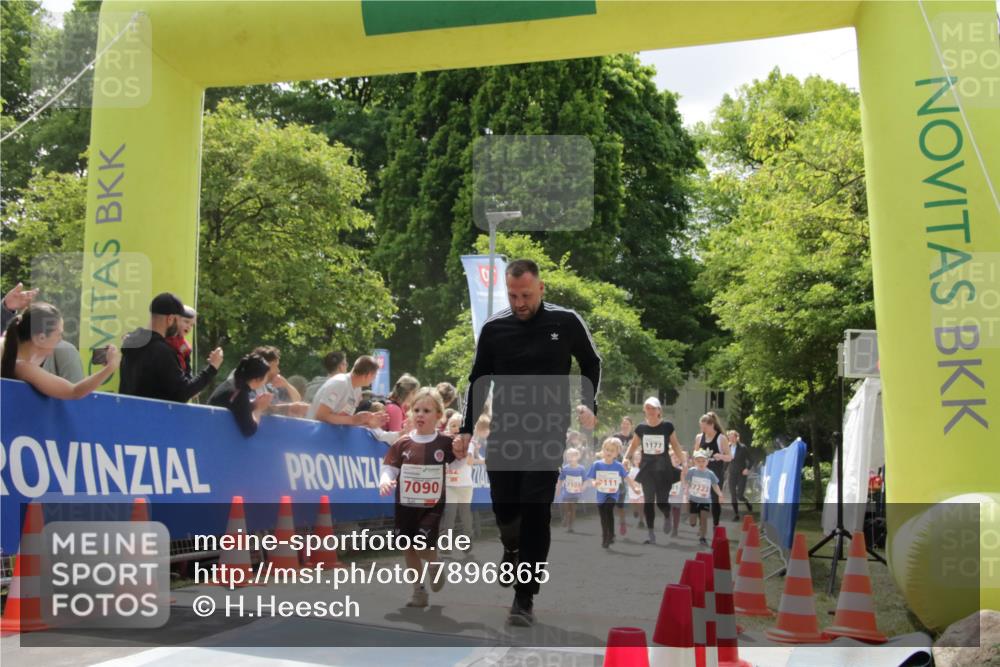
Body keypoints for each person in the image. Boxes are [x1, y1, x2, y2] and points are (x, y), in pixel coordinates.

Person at [454, 258, 601, 627]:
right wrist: (467, 428)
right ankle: (511, 545)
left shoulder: (565, 322)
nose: (520, 303)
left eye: (527, 295)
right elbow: (478, 380)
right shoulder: (494, 328)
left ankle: (524, 597)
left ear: (541, 288)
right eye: (513, 295)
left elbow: (591, 361)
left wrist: (589, 402)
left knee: (536, 510)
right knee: (505, 506)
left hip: (547, 433)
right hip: (505, 430)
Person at [378, 388, 454, 608]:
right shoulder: (402, 443)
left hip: (432, 506)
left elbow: (459, 460)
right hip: (405, 505)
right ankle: (418, 591)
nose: (420, 414)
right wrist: (385, 480)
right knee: (408, 548)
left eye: (426, 411)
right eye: (417, 410)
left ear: (438, 415)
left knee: (421, 545)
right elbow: (389, 468)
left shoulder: (445, 442)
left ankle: (434, 564)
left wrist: (463, 450)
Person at [1, 302, 120, 399]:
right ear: (41, 338)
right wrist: (110, 367)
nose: (60, 339)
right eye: (58, 334)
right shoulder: (23, 367)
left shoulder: (14, 360)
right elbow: (74, 391)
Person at [119, 293, 223, 402]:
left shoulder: (133, 343)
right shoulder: (161, 351)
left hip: (127, 411)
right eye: (178, 320)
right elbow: (183, 393)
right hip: (152, 413)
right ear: (170, 319)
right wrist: (212, 367)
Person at [624, 397, 686, 545]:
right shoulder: (641, 428)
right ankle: (650, 533)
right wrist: (626, 458)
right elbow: (633, 446)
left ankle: (667, 514)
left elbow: (676, 445)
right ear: (644, 410)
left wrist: (684, 462)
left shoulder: (667, 426)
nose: (651, 411)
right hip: (647, 469)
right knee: (648, 501)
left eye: (653, 408)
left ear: (659, 410)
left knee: (662, 501)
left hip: (664, 468)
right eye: (648, 408)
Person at [440, 413, 483, 561]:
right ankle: (445, 544)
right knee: (449, 514)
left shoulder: (470, 442)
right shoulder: (445, 442)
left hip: (465, 486)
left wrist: (481, 459)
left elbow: (475, 458)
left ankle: (467, 540)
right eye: (452, 425)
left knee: (465, 516)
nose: (456, 428)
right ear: (448, 427)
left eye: (459, 426)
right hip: (450, 485)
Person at [307, 355, 386, 428]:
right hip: (313, 432)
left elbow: (343, 419)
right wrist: (353, 420)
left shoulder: (357, 389)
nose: (374, 379)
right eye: (374, 376)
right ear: (368, 375)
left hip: (328, 433)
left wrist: (366, 421)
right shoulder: (340, 383)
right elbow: (321, 416)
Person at [208, 353, 272, 436]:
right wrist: (259, 408)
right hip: (213, 435)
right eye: (266, 376)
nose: (267, 380)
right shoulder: (240, 392)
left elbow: (237, 407)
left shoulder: (232, 383)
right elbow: (249, 430)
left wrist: (254, 404)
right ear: (257, 379)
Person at [586, 437, 628, 549]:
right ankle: (608, 535)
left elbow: (626, 477)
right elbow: (590, 479)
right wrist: (594, 483)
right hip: (601, 495)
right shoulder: (597, 464)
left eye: (612, 450)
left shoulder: (618, 465)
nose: (609, 452)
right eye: (607, 449)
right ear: (603, 449)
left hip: (613, 493)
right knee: (604, 516)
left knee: (608, 509)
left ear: (617, 453)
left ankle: (609, 536)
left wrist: (635, 487)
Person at [693, 411, 731, 527]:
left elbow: (729, 457)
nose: (703, 430)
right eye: (701, 427)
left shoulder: (721, 438)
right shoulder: (699, 437)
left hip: (716, 473)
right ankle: (702, 524)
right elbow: (695, 453)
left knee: (715, 500)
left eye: (705, 428)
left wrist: (721, 456)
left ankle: (715, 524)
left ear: (712, 425)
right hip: (702, 472)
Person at [686, 449, 724, 548]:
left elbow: (715, 485)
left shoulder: (710, 473)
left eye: (703, 461)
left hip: (705, 500)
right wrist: (686, 492)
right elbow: (687, 483)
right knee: (692, 522)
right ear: (695, 462)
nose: (701, 463)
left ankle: (702, 538)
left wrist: (720, 494)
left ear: (707, 462)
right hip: (693, 500)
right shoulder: (691, 471)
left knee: (704, 518)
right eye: (698, 461)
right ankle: (696, 524)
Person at [557, 447, 586, 533]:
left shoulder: (581, 469)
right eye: (568, 456)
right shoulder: (565, 469)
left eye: (572, 456)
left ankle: (571, 526)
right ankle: (566, 517)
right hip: (566, 492)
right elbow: (560, 480)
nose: (570, 458)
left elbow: (585, 480)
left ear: (577, 457)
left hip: (576, 493)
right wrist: (558, 489)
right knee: (566, 507)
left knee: (573, 509)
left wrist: (583, 487)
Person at [728, 429, 753, 520]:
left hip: (741, 474)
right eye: (729, 437)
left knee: (740, 496)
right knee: (733, 495)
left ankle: (747, 503)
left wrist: (747, 469)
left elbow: (751, 460)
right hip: (732, 474)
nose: (731, 439)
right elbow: (725, 461)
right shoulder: (727, 447)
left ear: (736, 438)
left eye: (733, 437)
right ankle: (736, 515)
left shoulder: (742, 448)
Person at [165, 306, 196, 378]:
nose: (189, 327)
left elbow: (187, 368)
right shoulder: (164, 338)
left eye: (192, 325)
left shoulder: (185, 345)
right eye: (186, 322)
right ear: (175, 320)